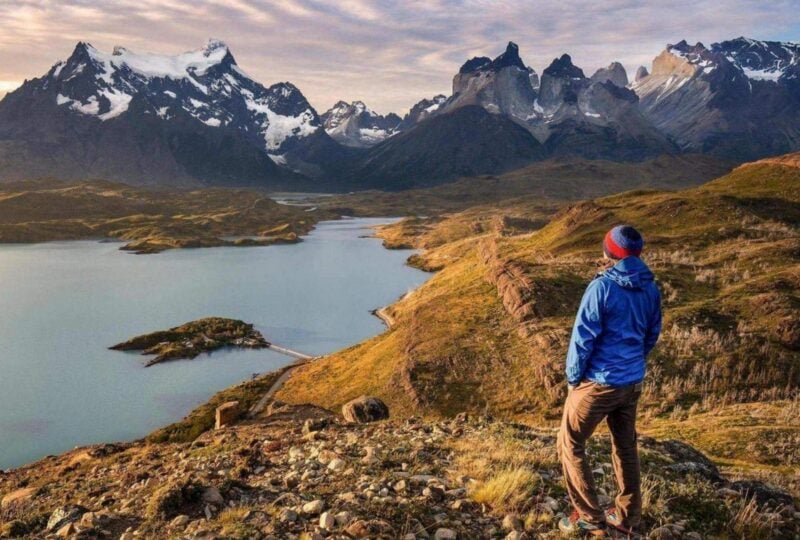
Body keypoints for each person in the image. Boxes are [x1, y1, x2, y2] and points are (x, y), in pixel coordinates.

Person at [557, 225, 662, 537]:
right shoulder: (651, 288)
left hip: (599, 382)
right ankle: (629, 519)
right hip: (631, 382)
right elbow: (651, 335)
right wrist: (633, 362)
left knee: (571, 441)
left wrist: (574, 379)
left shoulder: (601, 288)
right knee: (625, 446)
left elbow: (582, 339)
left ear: (610, 253)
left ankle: (590, 516)